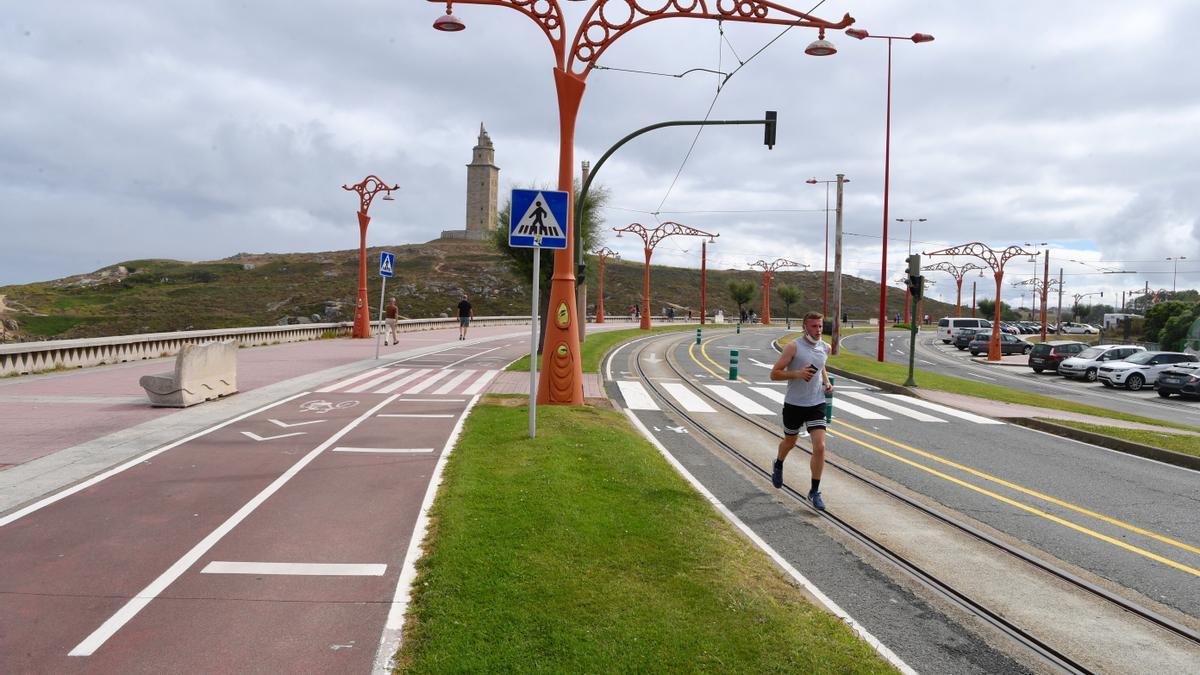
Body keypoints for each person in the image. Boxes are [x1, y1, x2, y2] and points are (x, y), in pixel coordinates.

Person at [769, 311, 833, 510]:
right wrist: (797, 373)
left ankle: (814, 491)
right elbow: (774, 374)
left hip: (816, 403)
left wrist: (827, 381)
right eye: (814, 326)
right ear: (805, 327)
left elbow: (821, 364)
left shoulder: (826, 347)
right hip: (794, 404)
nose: (818, 330)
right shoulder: (793, 347)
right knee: (790, 442)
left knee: (820, 447)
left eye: (820, 326)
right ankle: (778, 463)